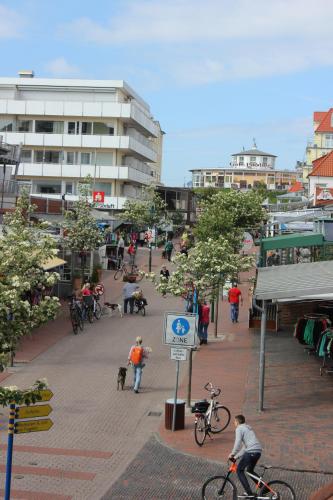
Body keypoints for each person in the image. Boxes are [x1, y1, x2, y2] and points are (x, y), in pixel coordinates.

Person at [228, 415, 262, 497]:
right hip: (257, 451)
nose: (234, 423)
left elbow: (237, 442)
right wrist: (236, 457)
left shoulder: (239, 428)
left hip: (251, 452)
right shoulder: (247, 428)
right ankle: (265, 489)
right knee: (250, 470)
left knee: (239, 470)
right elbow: (244, 448)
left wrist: (232, 453)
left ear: (237, 422)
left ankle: (249, 493)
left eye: (234, 422)